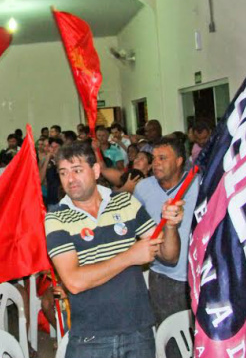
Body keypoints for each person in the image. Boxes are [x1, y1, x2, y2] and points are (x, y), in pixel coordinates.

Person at [45, 141, 184, 358]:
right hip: (90, 337)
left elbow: (169, 256)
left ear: (96, 170)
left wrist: (171, 226)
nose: (70, 179)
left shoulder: (126, 202)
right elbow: (74, 281)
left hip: (138, 330)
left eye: (77, 170)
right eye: (63, 173)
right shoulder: (57, 217)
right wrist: (129, 257)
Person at [134, 138, 200, 332]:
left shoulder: (198, 184)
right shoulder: (143, 188)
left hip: (194, 275)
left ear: (179, 161)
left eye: (162, 158)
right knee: (168, 335)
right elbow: (136, 228)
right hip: (162, 277)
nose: (156, 164)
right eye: (154, 159)